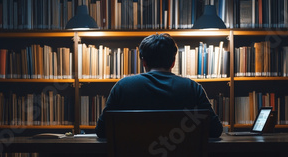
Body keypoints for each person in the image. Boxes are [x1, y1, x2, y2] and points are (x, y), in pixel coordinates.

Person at [95, 33, 223, 138]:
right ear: (173, 62)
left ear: (144, 62)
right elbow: (215, 130)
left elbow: (101, 131)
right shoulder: (193, 88)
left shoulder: (122, 87)